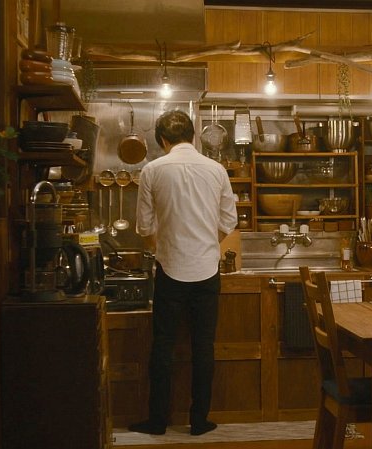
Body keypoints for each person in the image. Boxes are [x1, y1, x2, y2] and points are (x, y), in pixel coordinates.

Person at [130, 109, 238, 436]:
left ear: (162, 140)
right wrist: (207, 243)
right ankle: (199, 420)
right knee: (204, 347)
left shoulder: (152, 170)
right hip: (207, 271)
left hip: (169, 269)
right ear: (192, 136)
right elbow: (228, 221)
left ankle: (157, 421)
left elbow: (144, 226)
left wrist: (161, 249)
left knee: (162, 346)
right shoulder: (216, 169)